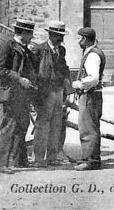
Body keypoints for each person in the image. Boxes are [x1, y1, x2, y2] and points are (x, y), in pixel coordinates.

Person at [0, 19, 38, 174]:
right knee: (9, 127)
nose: (32, 36)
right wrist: (19, 78)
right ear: (24, 33)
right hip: (11, 93)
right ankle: (2, 164)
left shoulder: (25, 48)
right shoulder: (8, 46)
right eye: (30, 33)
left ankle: (20, 160)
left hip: (22, 95)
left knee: (23, 125)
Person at [32, 20, 72, 167]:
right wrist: (36, 95)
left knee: (56, 125)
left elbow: (64, 67)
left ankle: (52, 157)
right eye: (58, 35)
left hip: (58, 92)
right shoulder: (39, 50)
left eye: (62, 36)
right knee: (42, 125)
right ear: (51, 34)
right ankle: (38, 159)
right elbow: (33, 73)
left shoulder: (61, 50)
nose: (60, 39)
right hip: (45, 93)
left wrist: (68, 84)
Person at [72, 27, 106, 171]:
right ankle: (89, 157)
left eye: (79, 38)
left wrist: (79, 84)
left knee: (88, 127)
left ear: (85, 39)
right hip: (92, 95)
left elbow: (93, 78)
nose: (77, 41)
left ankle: (91, 160)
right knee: (90, 126)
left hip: (90, 95)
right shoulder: (91, 53)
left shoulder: (92, 55)